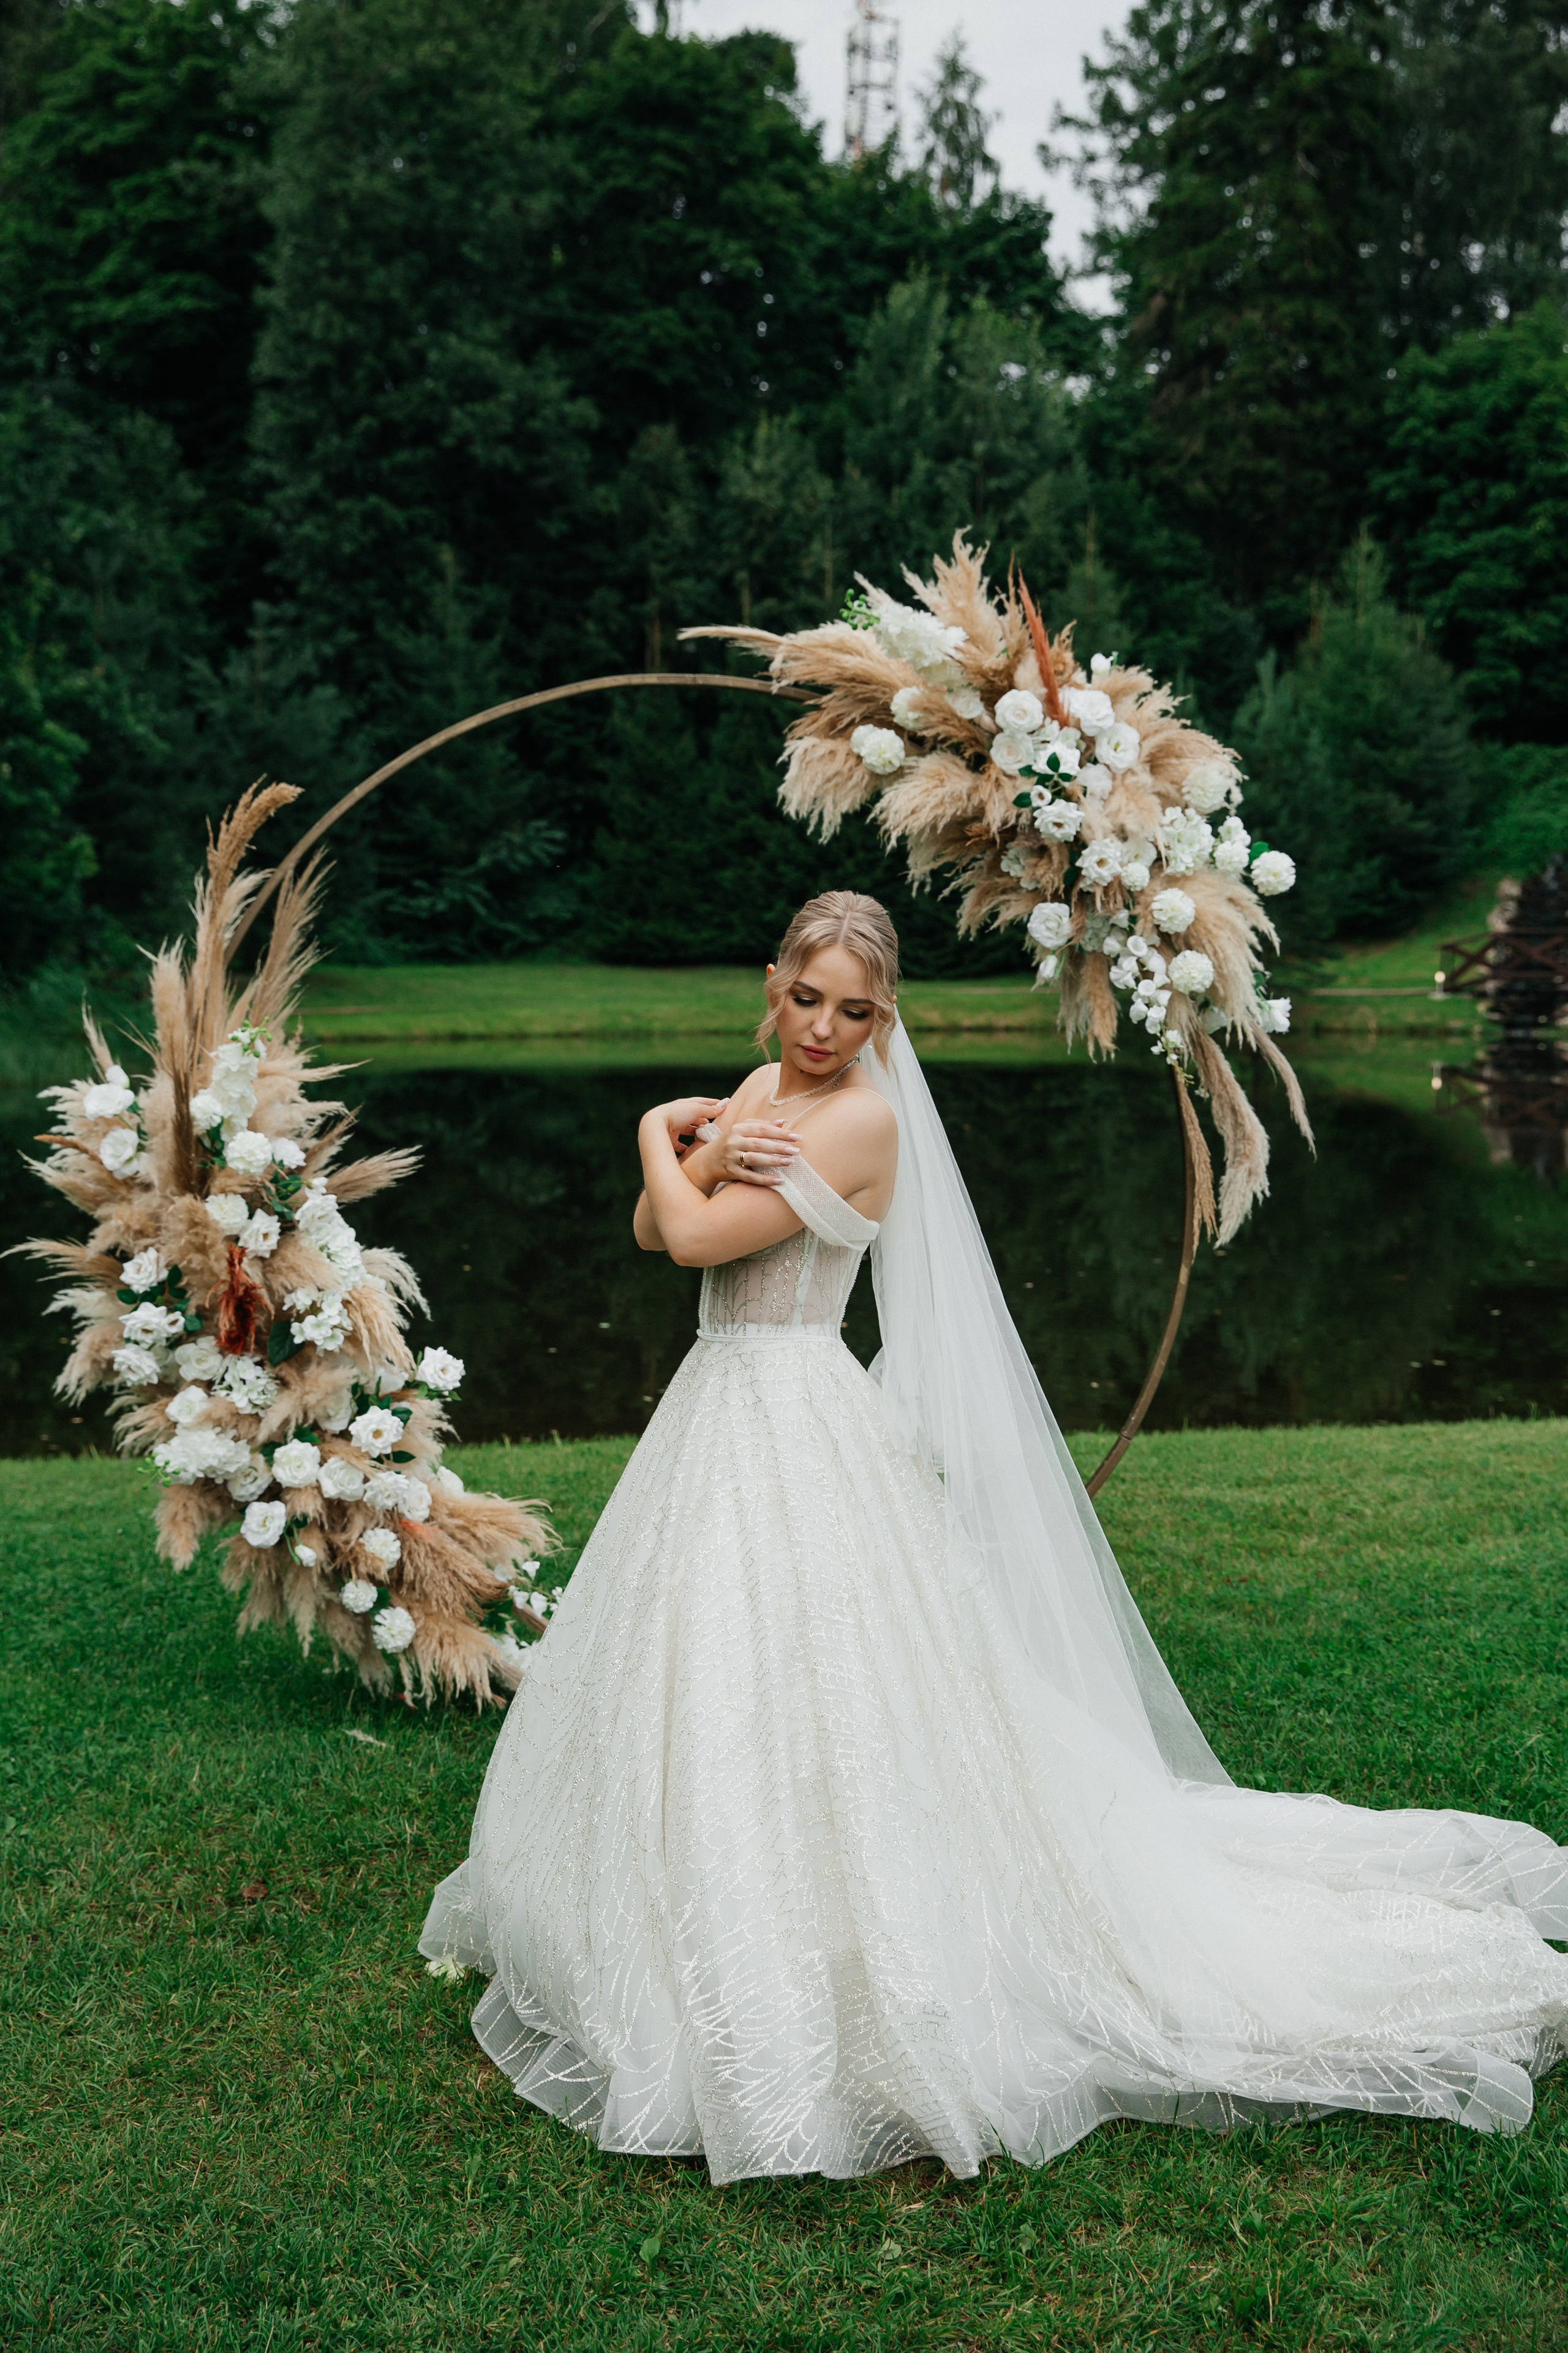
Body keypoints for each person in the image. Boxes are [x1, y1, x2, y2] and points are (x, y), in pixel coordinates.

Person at [421, 889, 1568, 2183]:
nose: (821, 1027)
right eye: (805, 998)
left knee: (829, 1671)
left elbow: (687, 1225)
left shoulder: (861, 1118)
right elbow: (654, 1235)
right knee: (709, 1668)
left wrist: (654, 1126)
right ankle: (680, 1902)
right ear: (772, 981)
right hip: (715, 1406)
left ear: (883, 1016)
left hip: (796, 1402)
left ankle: (863, 1936)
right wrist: (701, 1133)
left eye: (855, 1010)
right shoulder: (760, 1083)